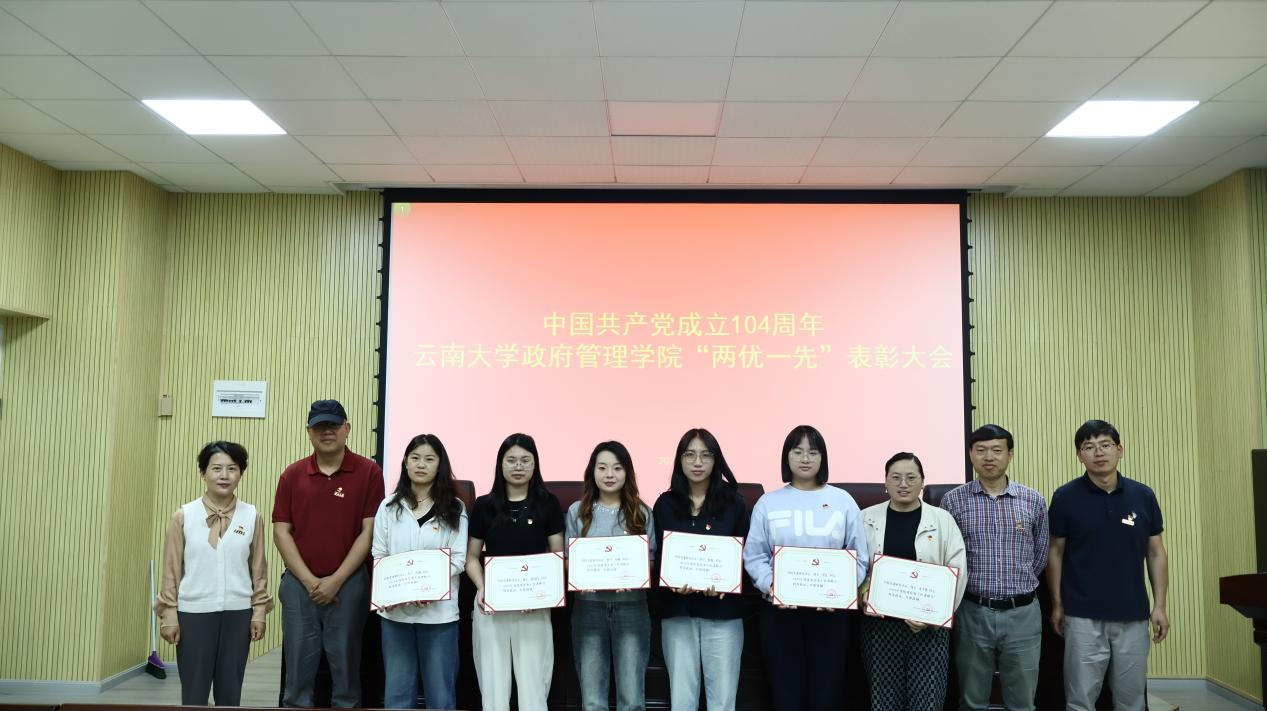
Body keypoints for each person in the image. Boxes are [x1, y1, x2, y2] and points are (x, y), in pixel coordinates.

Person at [742, 425, 869, 711]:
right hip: (780, 614)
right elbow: (754, 556)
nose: (805, 458)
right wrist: (772, 586)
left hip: (830, 614)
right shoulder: (768, 503)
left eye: (813, 452)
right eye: (797, 451)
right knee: (785, 693)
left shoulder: (842, 501)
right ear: (786, 457)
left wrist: (841, 591)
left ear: (823, 458)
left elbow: (859, 557)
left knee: (827, 693)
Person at [1048, 420, 1169, 711]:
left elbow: (1156, 553)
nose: (1098, 452)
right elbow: (1055, 553)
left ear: (1120, 450)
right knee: (1080, 700)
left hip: (1133, 614)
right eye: (1089, 447)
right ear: (1079, 455)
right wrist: (1057, 604)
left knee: (1131, 700)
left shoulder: (1143, 495)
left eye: (1105, 445)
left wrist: (1160, 606)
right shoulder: (1065, 497)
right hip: (1082, 616)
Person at [273, 399, 384, 708]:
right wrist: (310, 581)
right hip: (299, 585)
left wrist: (336, 580)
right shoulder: (292, 475)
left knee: (346, 667)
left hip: (349, 583)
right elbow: (281, 532)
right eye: (319, 427)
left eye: (333, 426)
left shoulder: (369, 472)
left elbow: (369, 531)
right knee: (297, 668)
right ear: (309, 431)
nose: (327, 432)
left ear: (347, 428)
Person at [155, 441, 273, 706]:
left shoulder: (252, 516)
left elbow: (259, 569)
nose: (224, 475)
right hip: (193, 614)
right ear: (203, 473)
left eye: (232, 468)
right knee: (194, 694)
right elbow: (171, 570)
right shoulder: (183, 516)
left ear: (241, 473)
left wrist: (259, 611)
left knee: (230, 694)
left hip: (238, 614)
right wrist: (168, 613)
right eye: (216, 468)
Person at [940, 424, 1049, 711]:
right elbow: (947, 555)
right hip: (972, 611)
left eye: (997, 450)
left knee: (1023, 702)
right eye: (981, 450)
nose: (989, 457)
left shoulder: (1033, 500)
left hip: (1022, 613)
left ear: (1010, 455)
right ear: (971, 455)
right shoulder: (953, 501)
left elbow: (1040, 555)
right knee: (972, 700)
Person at [465, 433, 566, 711]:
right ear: (500, 464)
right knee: (493, 685)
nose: (518, 466)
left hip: (534, 605)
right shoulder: (484, 505)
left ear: (535, 464)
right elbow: (471, 557)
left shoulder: (548, 503)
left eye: (525, 460)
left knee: (534, 685)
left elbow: (556, 556)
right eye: (511, 460)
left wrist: (540, 593)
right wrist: (482, 587)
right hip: (491, 604)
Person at [859, 452, 966, 711]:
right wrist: (863, 592)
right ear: (885, 481)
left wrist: (936, 615)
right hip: (880, 627)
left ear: (922, 482)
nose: (903, 484)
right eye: (896, 477)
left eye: (911, 477)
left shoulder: (942, 520)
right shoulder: (865, 518)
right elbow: (856, 565)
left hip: (928, 628)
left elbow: (958, 569)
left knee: (927, 701)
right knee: (884, 701)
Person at [652, 428, 749, 711]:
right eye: (690, 455)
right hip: (678, 612)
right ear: (679, 460)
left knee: (723, 699)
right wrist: (670, 581)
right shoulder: (665, 504)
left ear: (716, 460)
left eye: (706, 455)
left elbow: (746, 557)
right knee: (682, 698)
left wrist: (727, 583)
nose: (697, 462)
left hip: (723, 613)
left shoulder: (735, 504)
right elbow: (657, 559)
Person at [372, 434, 468, 710]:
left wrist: (427, 588)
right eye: (415, 458)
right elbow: (379, 554)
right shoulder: (388, 506)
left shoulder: (454, 507)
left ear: (440, 464)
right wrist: (398, 592)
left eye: (429, 459)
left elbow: (458, 559)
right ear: (405, 462)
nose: (421, 464)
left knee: (441, 697)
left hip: (439, 616)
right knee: (398, 696)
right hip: (395, 614)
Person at [565, 441, 656, 711]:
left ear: (627, 472)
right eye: (602, 467)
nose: (609, 474)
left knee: (632, 698)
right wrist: (580, 576)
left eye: (617, 468)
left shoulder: (641, 512)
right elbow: (568, 560)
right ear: (592, 472)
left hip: (632, 609)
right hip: (588, 608)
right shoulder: (577, 511)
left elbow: (650, 560)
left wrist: (634, 577)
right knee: (592, 699)